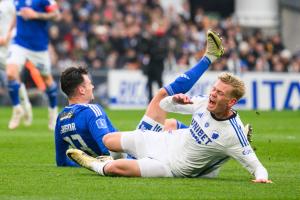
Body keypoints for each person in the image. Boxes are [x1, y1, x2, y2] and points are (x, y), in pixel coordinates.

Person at [66, 36, 272, 184]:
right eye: (213, 89)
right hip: (165, 141)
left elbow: (258, 167)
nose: (213, 94)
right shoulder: (204, 103)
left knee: (112, 168)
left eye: (219, 93)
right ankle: (209, 58)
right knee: (108, 140)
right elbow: (165, 104)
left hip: (170, 167)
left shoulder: (231, 132)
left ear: (231, 102)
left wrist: (262, 178)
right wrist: (176, 100)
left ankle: (94, 164)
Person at [55, 30, 224, 167]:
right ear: (81, 89)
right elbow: (108, 147)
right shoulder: (92, 110)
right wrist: (98, 164)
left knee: (170, 125)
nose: (92, 86)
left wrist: (86, 161)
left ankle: (216, 141)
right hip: (132, 155)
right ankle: (209, 57)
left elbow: (61, 162)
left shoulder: (61, 119)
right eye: (89, 83)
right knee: (162, 96)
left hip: (127, 153)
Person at [6, 0, 61, 130]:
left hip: (39, 48)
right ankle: (17, 108)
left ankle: (53, 112)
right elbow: (17, 15)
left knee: (47, 81)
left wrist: (36, 15)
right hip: (19, 43)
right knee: (10, 73)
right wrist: (9, 32)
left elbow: (57, 15)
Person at [0, 0, 15, 102]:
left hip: (9, 46)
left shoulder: (10, 3)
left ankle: (23, 105)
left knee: (12, 76)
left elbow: (17, 22)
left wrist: (7, 38)